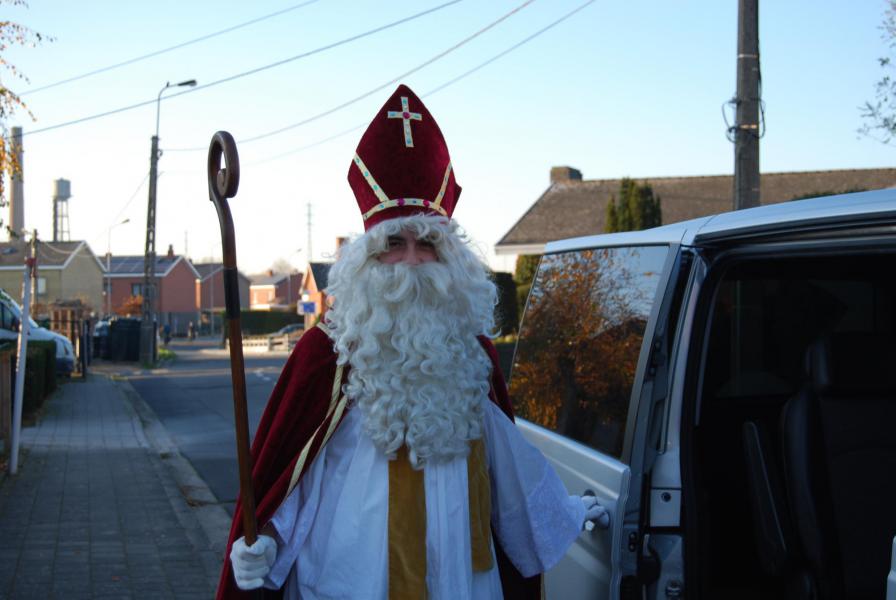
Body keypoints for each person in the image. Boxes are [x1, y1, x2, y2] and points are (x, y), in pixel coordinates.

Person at [217, 85, 609, 600]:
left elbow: (508, 473)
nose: (410, 263)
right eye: (393, 246)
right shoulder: (326, 356)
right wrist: (262, 540)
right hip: (348, 582)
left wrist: (570, 512)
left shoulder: (472, 355)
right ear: (365, 260)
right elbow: (295, 483)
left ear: (450, 259)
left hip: (461, 584)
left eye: (426, 245)